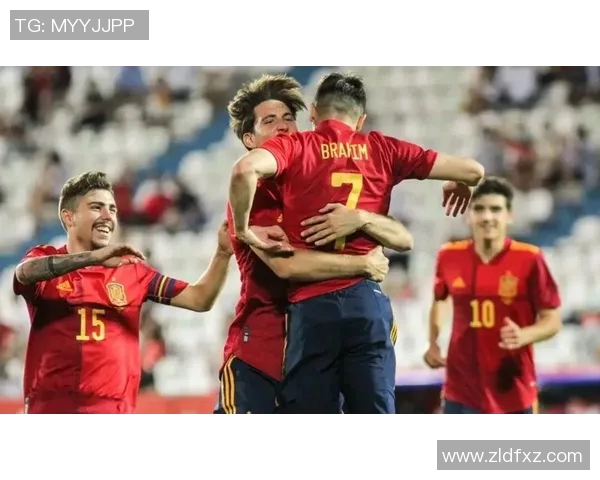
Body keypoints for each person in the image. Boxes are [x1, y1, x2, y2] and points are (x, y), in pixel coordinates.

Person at [228, 72, 485, 414]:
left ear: (313, 113)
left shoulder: (296, 147)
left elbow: (244, 170)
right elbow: (474, 170)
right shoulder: (383, 148)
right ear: (361, 119)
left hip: (310, 307)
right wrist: (459, 180)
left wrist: (243, 229)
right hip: (367, 302)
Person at [216, 73, 409, 414]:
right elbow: (286, 265)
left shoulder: (318, 183)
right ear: (249, 138)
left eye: (288, 118)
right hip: (261, 354)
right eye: (269, 121)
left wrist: (367, 221)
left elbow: (397, 234)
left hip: (322, 341)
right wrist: (362, 265)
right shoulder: (253, 199)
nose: (282, 126)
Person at [13, 171, 233, 414]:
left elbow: (199, 299)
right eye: (96, 207)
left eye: (112, 209)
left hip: (113, 412)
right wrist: (93, 258)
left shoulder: (131, 270)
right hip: (53, 410)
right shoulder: (44, 257)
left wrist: (223, 253)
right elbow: (24, 273)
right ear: (69, 216)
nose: (108, 216)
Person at [424, 177, 562, 414]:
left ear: (510, 215)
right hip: (461, 389)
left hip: (513, 389)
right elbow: (441, 299)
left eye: (496, 209)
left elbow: (553, 320)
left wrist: (524, 335)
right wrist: (433, 342)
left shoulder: (530, 259)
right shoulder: (449, 256)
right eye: (479, 209)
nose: (487, 217)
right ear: (468, 216)